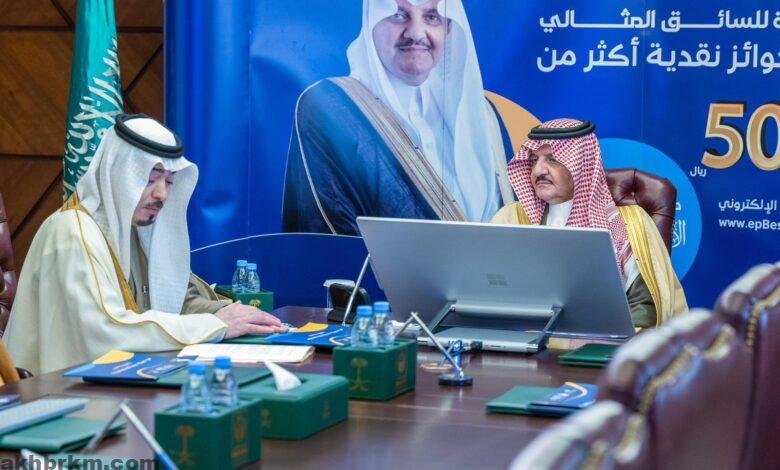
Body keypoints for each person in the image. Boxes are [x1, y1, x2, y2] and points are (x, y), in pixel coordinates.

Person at [6, 114, 287, 374]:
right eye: (151, 179)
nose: (162, 194)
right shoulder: (72, 233)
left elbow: (173, 301)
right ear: (118, 174)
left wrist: (229, 314)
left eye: (170, 181)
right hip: (52, 392)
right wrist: (215, 325)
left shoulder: (135, 229)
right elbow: (106, 332)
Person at [282, 0, 528, 235]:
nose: (416, 33)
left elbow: (513, 227)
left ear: (449, 28)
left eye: (432, 17)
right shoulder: (333, 109)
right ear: (372, 21)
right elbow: (331, 243)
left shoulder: (483, 115)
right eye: (398, 15)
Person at [491, 118, 687, 327]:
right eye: (533, 161)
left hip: (600, 343)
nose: (538, 171)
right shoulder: (511, 219)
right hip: (523, 340)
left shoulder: (627, 224)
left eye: (552, 159)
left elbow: (644, 307)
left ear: (581, 164)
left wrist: (599, 343)